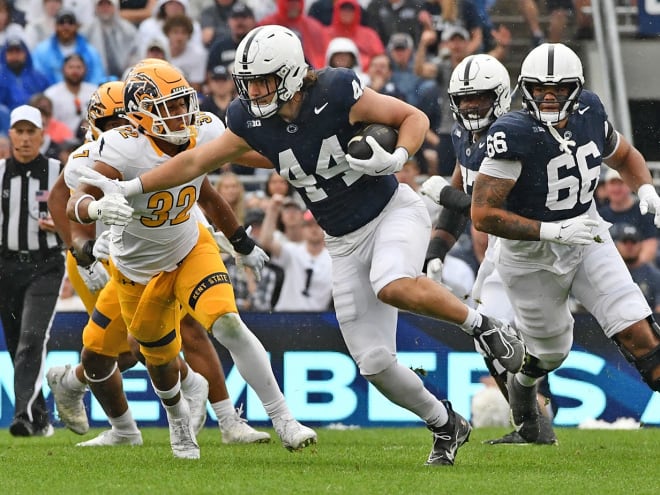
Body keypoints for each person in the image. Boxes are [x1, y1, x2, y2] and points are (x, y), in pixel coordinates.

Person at [78, 25, 526, 466]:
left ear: (291, 74)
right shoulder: (251, 120)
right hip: (342, 239)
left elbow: (413, 118)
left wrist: (398, 156)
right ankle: (446, 423)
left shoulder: (335, 89)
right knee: (373, 363)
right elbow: (194, 161)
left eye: (262, 81)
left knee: (391, 282)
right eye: (247, 82)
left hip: (391, 211)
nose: (252, 91)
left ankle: (484, 326)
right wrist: (130, 187)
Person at [67, 61, 317, 458]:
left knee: (228, 323)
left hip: (189, 248)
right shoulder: (122, 146)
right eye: (169, 106)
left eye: (184, 102)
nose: (182, 114)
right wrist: (94, 212)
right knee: (160, 360)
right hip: (136, 271)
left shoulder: (203, 129)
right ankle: (179, 420)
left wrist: (241, 241)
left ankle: (284, 419)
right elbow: (75, 202)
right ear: (140, 113)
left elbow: (218, 184)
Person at [469, 43, 660, 444]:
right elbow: (483, 214)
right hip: (530, 256)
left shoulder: (590, 111)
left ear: (578, 88)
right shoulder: (512, 132)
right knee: (552, 354)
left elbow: (624, 155)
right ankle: (523, 389)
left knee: (641, 333)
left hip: (587, 234)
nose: (548, 97)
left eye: (558, 89)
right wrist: (551, 231)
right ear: (525, 89)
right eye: (539, 89)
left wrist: (645, 188)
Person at [0, 104, 64, 437]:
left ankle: (22, 415)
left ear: (42, 135)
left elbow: (81, 215)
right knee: (15, 345)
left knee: (31, 338)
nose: (24, 139)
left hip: (46, 266)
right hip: (5, 265)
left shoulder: (59, 172)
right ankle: (39, 416)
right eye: (19, 132)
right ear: (10, 135)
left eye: (31, 132)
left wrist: (63, 226)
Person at [259, 196, 333, 311]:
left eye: (318, 225)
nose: (313, 229)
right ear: (302, 228)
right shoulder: (293, 251)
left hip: (318, 320)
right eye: (308, 225)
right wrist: (272, 211)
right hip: (286, 315)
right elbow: (265, 242)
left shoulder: (333, 258)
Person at [31, 9, 107, 86]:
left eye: (70, 23)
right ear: (55, 26)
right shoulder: (41, 51)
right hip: (50, 95)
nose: (66, 26)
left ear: (77, 26)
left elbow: (97, 77)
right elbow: (38, 76)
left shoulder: (90, 52)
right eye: (61, 22)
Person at [598, 167, 658, 265]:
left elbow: (650, 247)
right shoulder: (600, 215)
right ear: (606, 187)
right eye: (613, 184)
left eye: (621, 183)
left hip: (637, 267)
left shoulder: (643, 212)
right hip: (608, 267)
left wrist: (628, 268)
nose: (616, 189)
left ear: (630, 186)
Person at [81, 0, 138, 80]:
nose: (105, 8)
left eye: (108, 5)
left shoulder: (128, 30)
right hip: (95, 79)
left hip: (124, 78)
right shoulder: (86, 31)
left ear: (115, 7)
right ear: (95, 8)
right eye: (101, 5)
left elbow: (134, 55)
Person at [44, 53, 98, 137]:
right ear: (63, 70)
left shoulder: (95, 92)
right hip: (60, 143)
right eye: (71, 67)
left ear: (85, 70)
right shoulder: (51, 94)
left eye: (78, 67)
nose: (75, 71)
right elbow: (48, 124)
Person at [611, 223, 660, 313]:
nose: (629, 247)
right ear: (617, 245)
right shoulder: (610, 274)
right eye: (625, 242)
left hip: (647, 322)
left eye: (633, 242)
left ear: (641, 245)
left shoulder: (655, 276)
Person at [0, 35, 50, 111]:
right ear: (4, 55)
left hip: (35, 119)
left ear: (25, 53)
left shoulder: (39, 77)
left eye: (18, 51)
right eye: (10, 52)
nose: (14, 56)